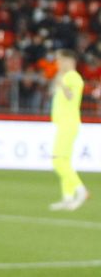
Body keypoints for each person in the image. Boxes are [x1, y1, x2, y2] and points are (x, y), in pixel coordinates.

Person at [49, 48, 88, 211]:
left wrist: (62, 85)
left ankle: (81, 190)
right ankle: (68, 197)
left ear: (68, 61)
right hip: (65, 123)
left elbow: (71, 96)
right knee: (65, 161)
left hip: (68, 123)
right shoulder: (66, 76)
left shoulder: (73, 77)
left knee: (58, 160)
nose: (57, 63)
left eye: (59, 60)